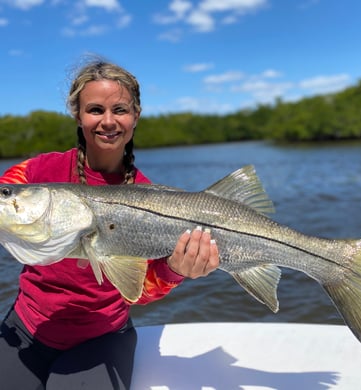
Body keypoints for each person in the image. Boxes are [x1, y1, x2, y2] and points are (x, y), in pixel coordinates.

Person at [0, 59, 220, 389]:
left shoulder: (149, 196)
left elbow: (139, 292)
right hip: (25, 327)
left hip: (101, 338)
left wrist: (177, 270)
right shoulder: (35, 174)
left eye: (119, 109)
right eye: (94, 109)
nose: (107, 121)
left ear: (136, 116)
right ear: (77, 114)